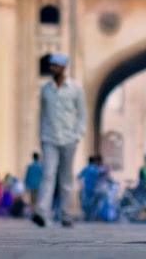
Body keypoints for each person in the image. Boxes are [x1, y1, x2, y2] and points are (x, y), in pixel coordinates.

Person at [33, 51, 86, 228]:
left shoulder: (76, 88)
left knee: (66, 178)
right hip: (49, 137)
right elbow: (42, 114)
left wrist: (78, 134)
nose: (51, 68)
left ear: (63, 67)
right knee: (48, 175)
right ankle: (42, 212)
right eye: (51, 65)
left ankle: (66, 214)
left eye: (55, 65)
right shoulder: (46, 89)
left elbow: (82, 114)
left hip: (69, 138)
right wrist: (41, 135)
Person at [24, 152, 43, 217]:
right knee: (38, 200)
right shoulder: (41, 166)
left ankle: (33, 213)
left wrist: (26, 186)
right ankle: (38, 213)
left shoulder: (30, 166)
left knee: (32, 201)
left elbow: (27, 177)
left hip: (32, 186)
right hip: (39, 186)